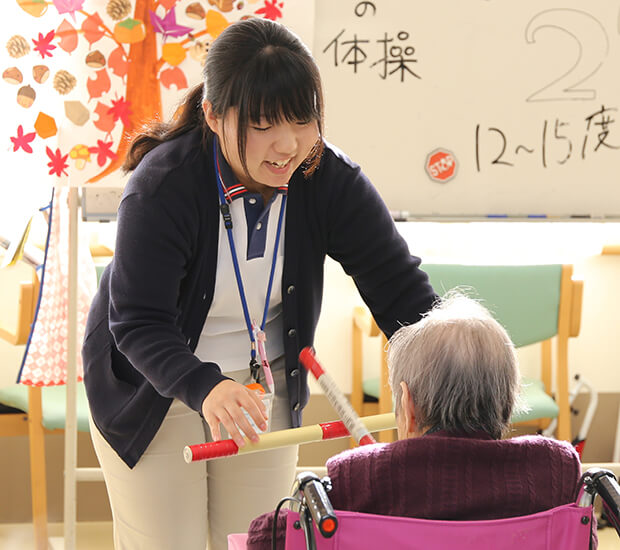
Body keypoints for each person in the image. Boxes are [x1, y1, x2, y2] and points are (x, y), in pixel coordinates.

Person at [81, 17, 437, 550]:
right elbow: (137, 321)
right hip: (154, 386)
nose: (288, 145)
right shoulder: (162, 187)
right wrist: (205, 387)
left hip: (258, 385)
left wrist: (449, 374)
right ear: (214, 116)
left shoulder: (328, 180)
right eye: (264, 124)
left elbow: (400, 289)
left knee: (258, 540)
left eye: (302, 120)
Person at [247, 294, 584, 550]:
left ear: (407, 404)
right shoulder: (554, 469)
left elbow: (263, 538)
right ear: (508, 402)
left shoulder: (357, 476)